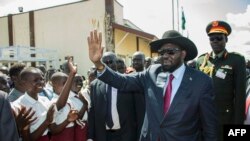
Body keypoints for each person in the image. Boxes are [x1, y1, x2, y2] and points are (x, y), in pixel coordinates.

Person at [88, 30, 217, 141]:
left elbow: (210, 128)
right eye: (162, 52)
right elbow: (123, 82)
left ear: (183, 54)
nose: (165, 56)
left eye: (171, 52)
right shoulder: (152, 73)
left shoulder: (201, 82)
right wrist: (99, 64)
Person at [196, 20, 246, 141]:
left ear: (226, 39)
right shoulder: (201, 60)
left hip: (226, 118)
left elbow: (240, 95)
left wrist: (238, 126)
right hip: (203, 117)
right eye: (212, 39)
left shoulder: (237, 60)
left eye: (219, 38)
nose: (215, 42)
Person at [87, 52, 137, 141]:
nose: (109, 65)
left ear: (116, 63)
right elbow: (92, 112)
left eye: (111, 62)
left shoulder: (128, 81)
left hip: (125, 135)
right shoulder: (95, 85)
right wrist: (90, 137)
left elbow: (137, 110)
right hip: (103, 136)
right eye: (105, 62)